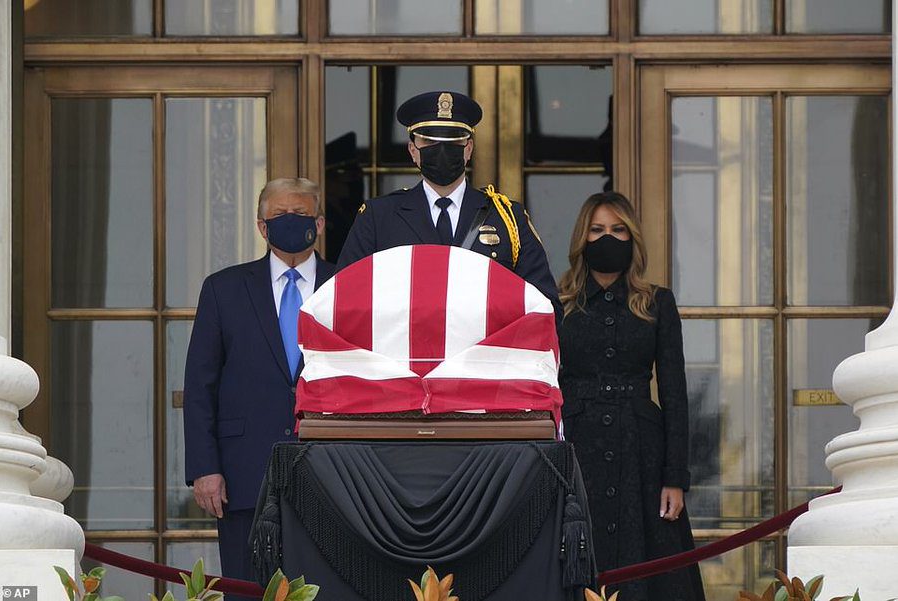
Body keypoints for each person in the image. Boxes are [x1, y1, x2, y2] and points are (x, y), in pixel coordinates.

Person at [183, 177, 336, 596]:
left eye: (302, 215)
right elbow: (200, 385)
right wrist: (204, 468)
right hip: (242, 474)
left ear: (320, 224)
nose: (292, 222)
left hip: (332, 473)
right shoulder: (223, 289)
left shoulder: (348, 286)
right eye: (280, 215)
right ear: (261, 227)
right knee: (247, 590)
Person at [557, 192, 705, 601]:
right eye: (598, 230)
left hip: (642, 452)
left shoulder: (658, 302)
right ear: (582, 239)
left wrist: (675, 477)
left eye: (618, 230)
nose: (609, 238)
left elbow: (674, 392)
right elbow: (543, 385)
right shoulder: (559, 304)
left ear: (632, 237)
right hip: (577, 447)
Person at [336, 90, 560, 316]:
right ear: (413, 151)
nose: (442, 149)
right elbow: (344, 301)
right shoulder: (378, 217)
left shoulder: (507, 218)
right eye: (429, 141)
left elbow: (543, 305)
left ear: (469, 148)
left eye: (453, 140)